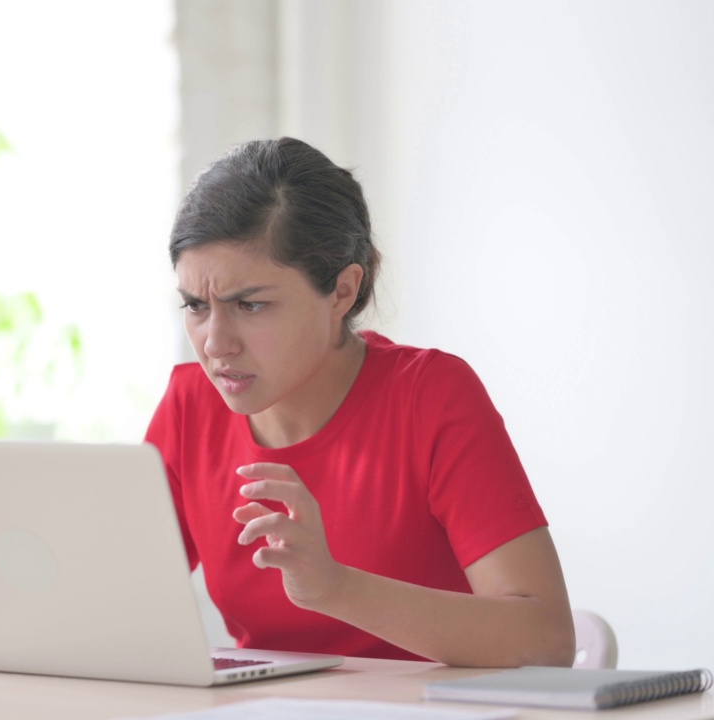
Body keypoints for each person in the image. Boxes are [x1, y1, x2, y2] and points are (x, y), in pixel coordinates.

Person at [145, 137, 575, 667]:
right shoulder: (190, 405)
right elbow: (117, 598)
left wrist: (334, 589)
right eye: (194, 305)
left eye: (251, 304)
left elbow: (546, 639)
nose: (214, 343)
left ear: (343, 292)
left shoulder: (430, 397)